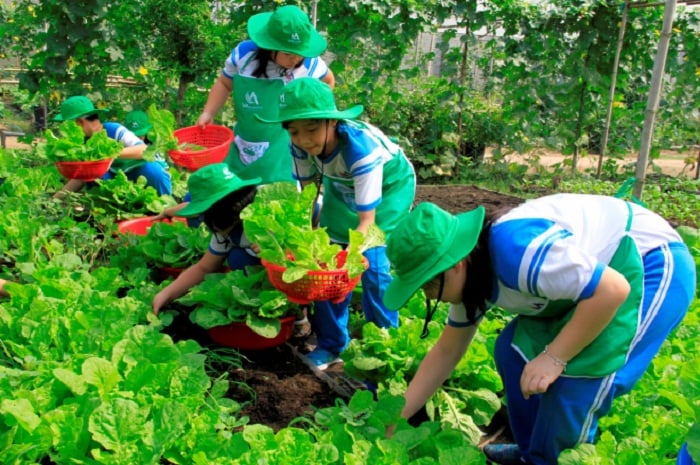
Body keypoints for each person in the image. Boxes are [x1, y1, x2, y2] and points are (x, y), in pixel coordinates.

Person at [382, 196, 696, 465]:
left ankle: (555, 458)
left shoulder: (518, 252)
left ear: (454, 264)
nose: (427, 295)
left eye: (428, 284)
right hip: (590, 287)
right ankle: (533, 452)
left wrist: (555, 357)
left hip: (648, 263)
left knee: (579, 379)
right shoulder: (471, 273)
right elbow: (447, 351)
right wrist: (397, 418)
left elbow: (611, 290)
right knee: (511, 351)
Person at [257, 77, 416, 369]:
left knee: (373, 264)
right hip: (341, 185)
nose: (304, 139)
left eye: (312, 129)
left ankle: (383, 346)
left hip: (390, 187)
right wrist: (300, 245)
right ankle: (331, 345)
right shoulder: (300, 148)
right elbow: (308, 199)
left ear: (332, 122)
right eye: (294, 131)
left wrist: (345, 262)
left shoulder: (361, 150)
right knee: (324, 269)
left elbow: (367, 221)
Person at [196, 4, 335, 185]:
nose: (295, 59)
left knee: (277, 195)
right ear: (270, 45)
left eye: (299, 54)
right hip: (245, 140)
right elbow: (224, 83)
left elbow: (328, 82)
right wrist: (209, 112)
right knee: (234, 192)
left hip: (283, 146)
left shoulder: (310, 65)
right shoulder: (244, 56)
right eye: (288, 53)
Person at [151, 163, 261, 315]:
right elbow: (204, 267)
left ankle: (299, 317)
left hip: (285, 275)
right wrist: (165, 294)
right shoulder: (227, 223)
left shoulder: (264, 219)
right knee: (237, 256)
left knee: (239, 259)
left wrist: (274, 252)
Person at [53, 96, 172, 196]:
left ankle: (165, 212)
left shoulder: (113, 129)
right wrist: (58, 197)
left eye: (69, 125)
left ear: (79, 122)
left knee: (153, 171)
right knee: (95, 176)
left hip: (140, 174)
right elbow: (82, 176)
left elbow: (144, 150)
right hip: (117, 185)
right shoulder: (80, 143)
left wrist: (110, 154)